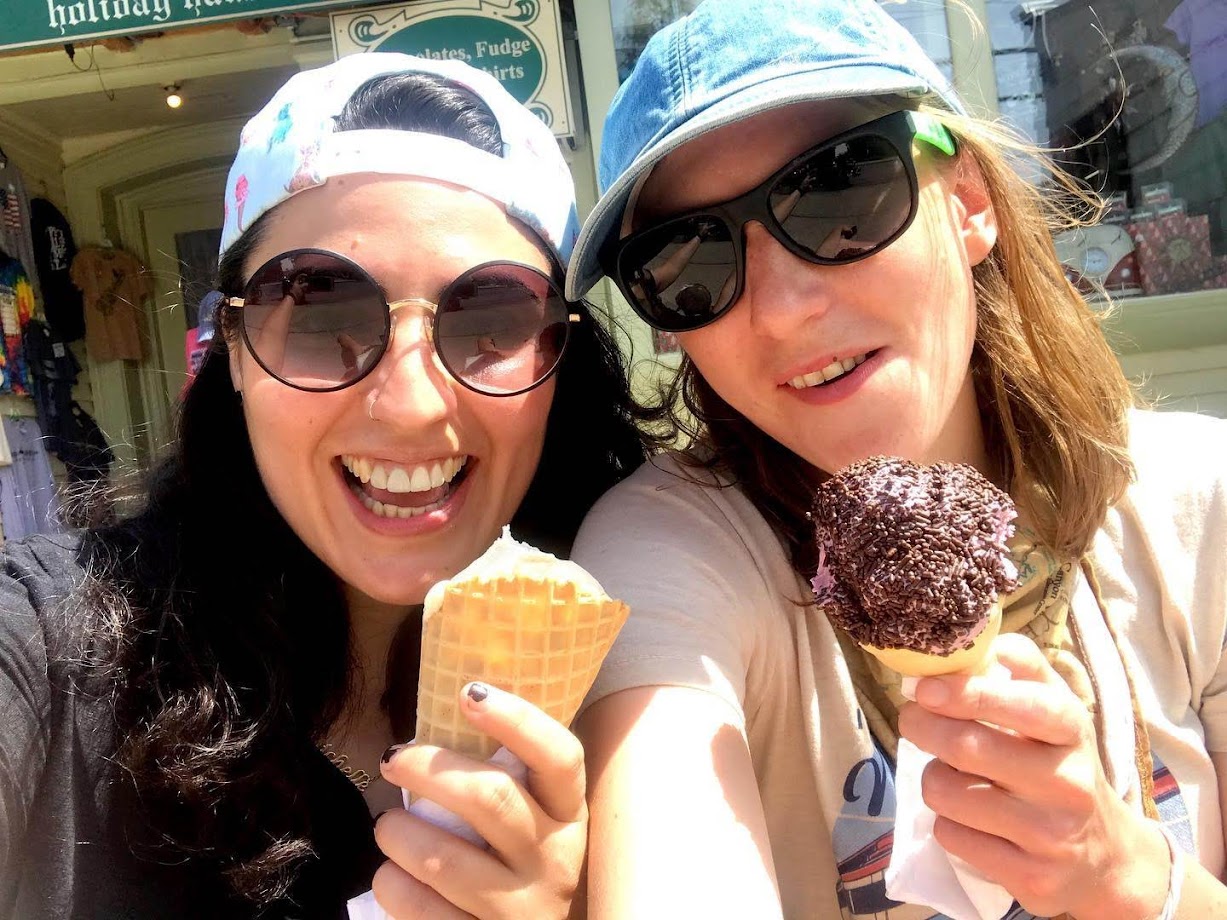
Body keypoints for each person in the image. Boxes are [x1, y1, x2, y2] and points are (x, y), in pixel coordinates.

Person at [566, 1, 1227, 918]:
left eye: (838, 190)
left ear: (967, 205)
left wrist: (1126, 876)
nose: (784, 304)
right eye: (686, 262)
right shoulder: (673, 551)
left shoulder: (1199, 512)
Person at [0, 53, 646, 919]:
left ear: (557, 361)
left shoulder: (649, 667)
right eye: (321, 309)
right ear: (231, 348)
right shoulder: (52, 646)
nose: (412, 407)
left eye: (490, 316)